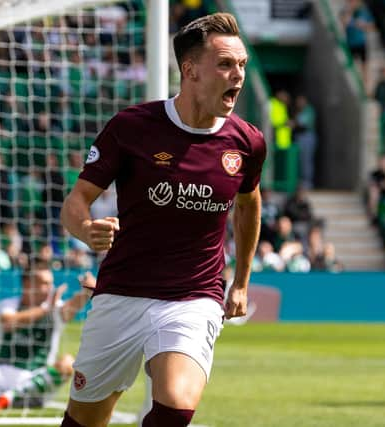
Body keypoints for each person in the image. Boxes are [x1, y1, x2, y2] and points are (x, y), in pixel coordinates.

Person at [59, 13, 266, 427]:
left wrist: (240, 281)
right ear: (189, 70)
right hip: (121, 293)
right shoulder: (130, 127)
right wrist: (86, 230)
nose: (237, 75)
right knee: (85, 421)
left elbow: (249, 204)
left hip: (194, 297)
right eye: (225, 64)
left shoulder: (247, 142)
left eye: (241, 65)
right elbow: (76, 201)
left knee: (174, 405)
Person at [0, 264, 95, 409]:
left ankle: (8, 399)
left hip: (35, 383)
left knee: (68, 363)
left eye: (51, 283)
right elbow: (9, 322)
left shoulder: (55, 308)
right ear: (28, 283)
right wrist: (46, 309)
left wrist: (87, 291)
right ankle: (4, 399)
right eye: (44, 283)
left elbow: (70, 309)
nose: (50, 288)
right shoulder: (9, 304)